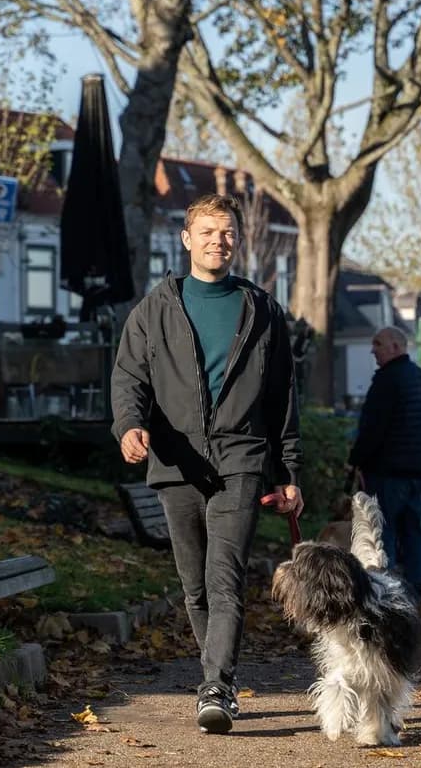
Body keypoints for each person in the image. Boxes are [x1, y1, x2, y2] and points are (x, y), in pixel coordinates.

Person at [111, 193, 303, 736]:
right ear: (187, 239)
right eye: (209, 232)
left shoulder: (262, 310)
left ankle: (217, 685)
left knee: (224, 580)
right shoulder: (154, 309)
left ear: (237, 240)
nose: (219, 241)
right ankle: (214, 678)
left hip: (242, 458)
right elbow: (129, 379)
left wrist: (289, 473)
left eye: (228, 233)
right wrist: (129, 426)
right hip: (177, 462)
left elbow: (283, 398)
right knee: (193, 586)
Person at [347, 327, 421, 600]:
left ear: (396, 347)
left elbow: (373, 429)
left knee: (383, 530)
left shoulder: (387, 380)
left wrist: (356, 461)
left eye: (378, 344)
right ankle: (414, 590)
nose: (373, 350)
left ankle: (387, 593)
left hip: (390, 470)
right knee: (413, 529)